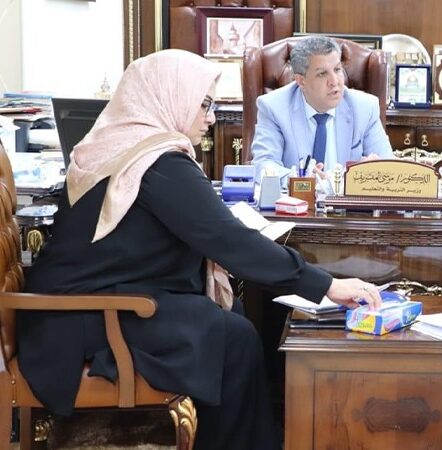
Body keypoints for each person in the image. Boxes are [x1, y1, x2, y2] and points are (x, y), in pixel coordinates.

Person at [16, 49, 383, 450]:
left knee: (230, 313)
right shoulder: (158, 163)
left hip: (97, 301)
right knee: (234, 336)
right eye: (204, 104)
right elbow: (229, 241)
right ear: (169, 96)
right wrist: (327, 286)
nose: (211, 118)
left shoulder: (126, 146)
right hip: (83, 319)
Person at [250, 36, 393, 180]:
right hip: (295, 194)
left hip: (346, 194)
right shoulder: (273, 107)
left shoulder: (365, 108)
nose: (334, 81)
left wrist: (371, 170)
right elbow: (264, 165)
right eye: (322, 74)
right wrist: (299, 178)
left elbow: (388, 167)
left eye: (337, 69)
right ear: (301, 81)